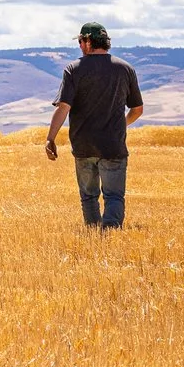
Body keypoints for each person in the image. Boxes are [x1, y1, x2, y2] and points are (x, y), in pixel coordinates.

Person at [46, 21, 144, 227]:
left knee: (89, 196)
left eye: (81, 41)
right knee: (114, 196)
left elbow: (63, 107)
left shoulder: (74, 69)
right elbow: (137, 110)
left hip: (83, 145)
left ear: (89, 41)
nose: (80, 45)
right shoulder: (125, 69)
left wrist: (50, 138)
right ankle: (109, 234)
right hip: (113, 145)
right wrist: (120, 126)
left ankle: (93, 236)